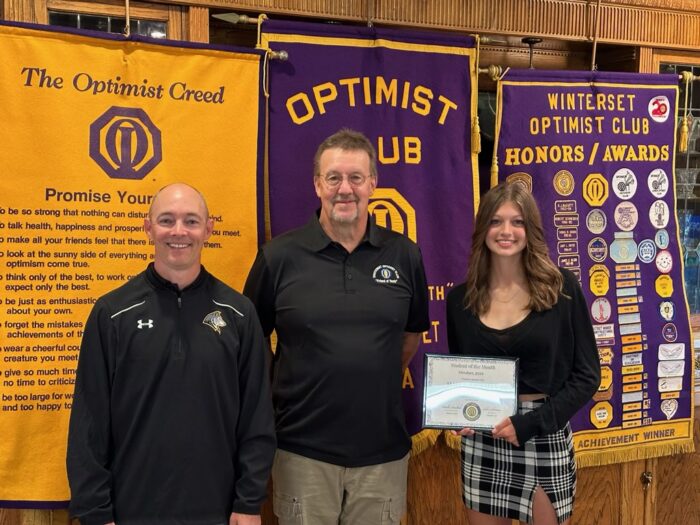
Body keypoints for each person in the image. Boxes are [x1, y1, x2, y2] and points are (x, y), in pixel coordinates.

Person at [243, 129, 430, 524]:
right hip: (302, 452)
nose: (345, 189)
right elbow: (251, 339)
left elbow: (410, 337)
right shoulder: (278, 257)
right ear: (317, 185)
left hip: (382, 454)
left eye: (356, 178)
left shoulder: (405, 255)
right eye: (334, 178)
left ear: (373, 183)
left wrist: (367, 373)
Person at [66, 183, 276, 525]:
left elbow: (256, 417)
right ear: (148, 227)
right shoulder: (112, 313)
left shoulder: (239, 314)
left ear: (208, 229)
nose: (179, 231)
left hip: (217, 511)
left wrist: (249, 501)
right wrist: (95, 512)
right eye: (167, 220)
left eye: (191, 221)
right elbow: (89, 423)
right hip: (131, 510)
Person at [446, 182, 600, 525]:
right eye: (496, 221)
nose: (506, 231)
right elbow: (462, 374)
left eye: (517, 222)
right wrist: (458, 413)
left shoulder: (562, 289)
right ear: (482, 229)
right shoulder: (460, 300)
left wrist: (530, 424)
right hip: (485, 437)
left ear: (530, 230)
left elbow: (588, 376)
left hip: (543, 432)